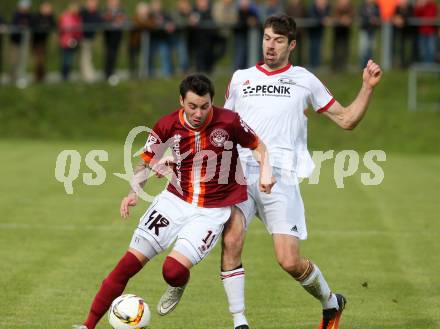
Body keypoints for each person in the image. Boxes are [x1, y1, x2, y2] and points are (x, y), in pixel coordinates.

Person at [151, 14, 382, 329]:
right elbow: (214, 126)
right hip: (239, 173)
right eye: (266, 38)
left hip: (281, 177)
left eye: (278, 40)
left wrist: (367, 88)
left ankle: (331, 302)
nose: (270, 46)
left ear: (292, 45)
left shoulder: (305, 80)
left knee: (289, 261)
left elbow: (346, 119)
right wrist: (172, 157)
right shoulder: (242, 78)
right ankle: (240, 321)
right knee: (231, 239)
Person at [72, 73, 275, 329]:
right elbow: (145, 162)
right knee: (126, 265)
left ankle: (179, 283)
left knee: (173, 271)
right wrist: (133, 192)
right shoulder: (167, 125)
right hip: (174, 201)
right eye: (192, 106)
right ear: (181, 101)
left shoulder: (230, 121)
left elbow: (259, 146)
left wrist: (266, 169)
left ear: (212, 101)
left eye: (204, 106)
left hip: (212, 211)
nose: (198, 113)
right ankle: (87, 325)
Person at [31, 1, 55, 82]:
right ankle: (38, 77)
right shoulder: (36, 16)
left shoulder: (50, 17)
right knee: (39, 60)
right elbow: (34, 26)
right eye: (46, 8)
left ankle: (41, 77)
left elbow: (53, 25)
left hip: (44, 41)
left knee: (42, 59)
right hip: (36, 41)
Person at [59, 3, 83, 81]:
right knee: (66, 60)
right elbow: (62, 28)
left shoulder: (77, 17)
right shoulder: (64, 16)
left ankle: (67, 75)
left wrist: (78, 37)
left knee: (71, 59)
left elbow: (79, 29)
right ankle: (64, 76)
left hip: (74, 41)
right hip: (65, 41)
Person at [80, 0, 102, 82]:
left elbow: (99, 21)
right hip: (83, 37)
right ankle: (87, 75)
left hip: (90, 38)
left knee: (87, 56)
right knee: (86, 56)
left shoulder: (96, 13)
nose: (93, 4)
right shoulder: (83, 12)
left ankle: (87, 74)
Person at [331, 0, 354, 71]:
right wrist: (341, 19)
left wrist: (348, 19)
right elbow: (333, 15)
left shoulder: (350, 7)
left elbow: (353, 15)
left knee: (345, 48)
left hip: (346, 31)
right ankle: (335, 66)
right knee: (336, 48)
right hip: (337, 31)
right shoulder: (336, 7)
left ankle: (343, 66)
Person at [358, 0, 381, 68]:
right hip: (364, 30)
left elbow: (378, 16)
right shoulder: (362, 7)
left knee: (371, 49)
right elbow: (361, 17)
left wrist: (375, 20)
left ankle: (369, 66)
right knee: (363, 49)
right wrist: (369, 20)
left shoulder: (376, 7)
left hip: (372, 30)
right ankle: (362, 66)